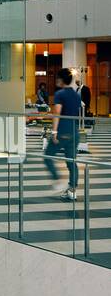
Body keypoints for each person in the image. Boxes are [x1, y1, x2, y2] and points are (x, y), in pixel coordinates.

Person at [44, 68, 82, 200]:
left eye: (57, 78)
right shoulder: (77, 95)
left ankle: (57, 181)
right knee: (72, 162)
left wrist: (54, 132)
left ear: (61, 80)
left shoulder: (60, 94)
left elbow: (57, 114)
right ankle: (72, 190)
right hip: (74, 132)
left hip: (62, 131)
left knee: (48, 156)